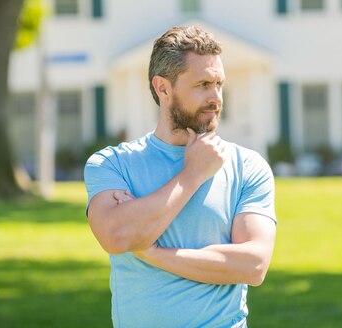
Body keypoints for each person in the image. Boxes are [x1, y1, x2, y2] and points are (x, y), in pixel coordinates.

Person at [84, 25, 276, 328]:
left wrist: (153, 252)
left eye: (219, 84)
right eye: (202, 84)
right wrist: (191, 176)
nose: (215, 97)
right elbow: (117, 235)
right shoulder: (113, 164)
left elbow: (253, 265)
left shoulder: (247, 166)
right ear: (163, 88)